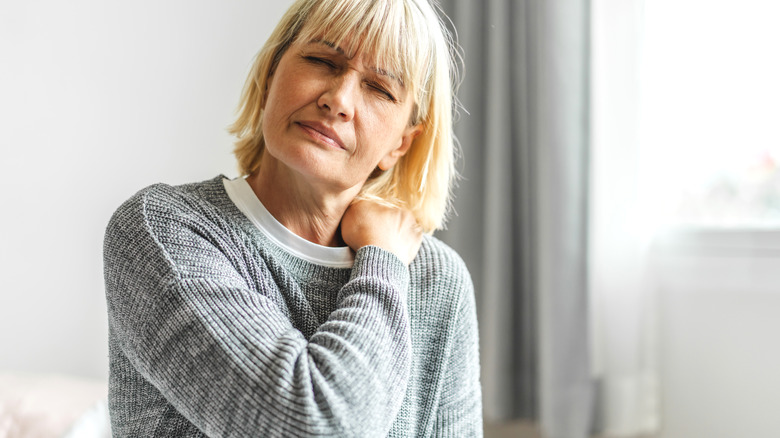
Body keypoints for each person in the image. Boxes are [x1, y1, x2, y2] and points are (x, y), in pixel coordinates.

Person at [103, 0, 482, 436]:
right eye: (322, 60)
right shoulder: (161, 231)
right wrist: (382, 263)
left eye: (379, 89)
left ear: (401, 143)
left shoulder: (438, 280)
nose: (338, 100)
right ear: (270, 77)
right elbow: (315, 426)